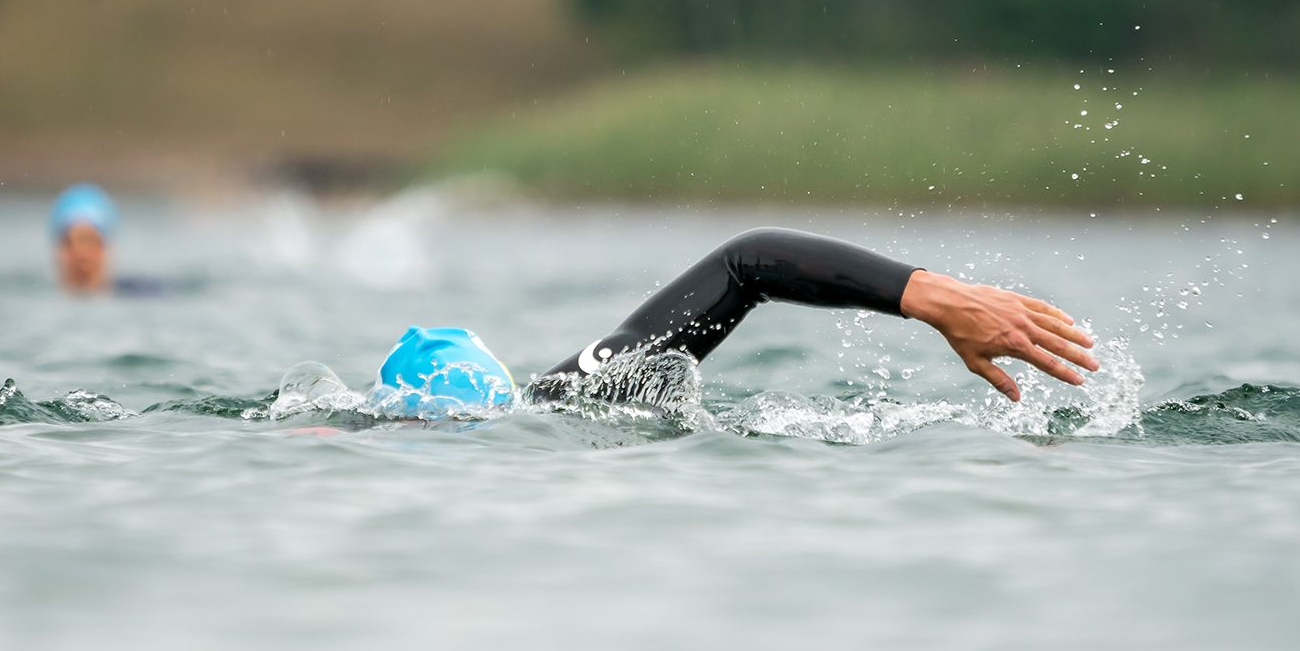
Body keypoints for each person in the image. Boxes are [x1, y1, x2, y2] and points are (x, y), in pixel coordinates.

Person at [367, 228, 1099, 417]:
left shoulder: (559, 404)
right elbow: (747, 264)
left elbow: (746, 263)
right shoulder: (564, 397)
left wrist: (933, 294)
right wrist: (928, 294)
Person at [50, 184, 118, 294]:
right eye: (71, 243)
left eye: (91, 241)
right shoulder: (33, 290)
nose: (83, 254)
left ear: (107, 248)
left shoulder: (139, 293)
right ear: (58, 249)